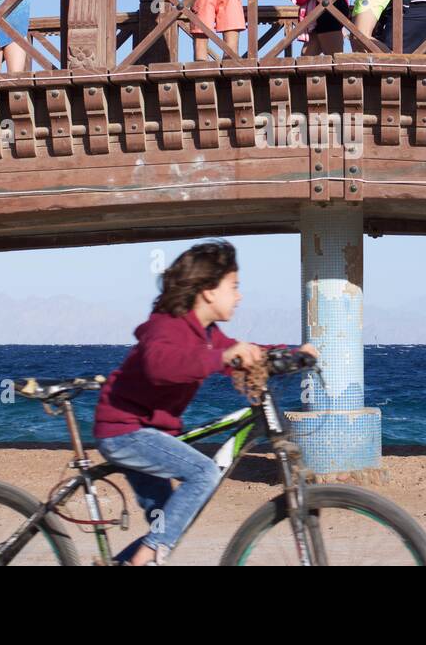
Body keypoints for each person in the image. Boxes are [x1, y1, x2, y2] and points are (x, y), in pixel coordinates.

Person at [92, 240, 318, 565]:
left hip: (151, 434)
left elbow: (241, 351)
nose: (240, 296)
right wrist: (222, 356)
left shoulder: (207, 333)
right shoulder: (165, 326)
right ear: (209, 290)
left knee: (169, 520)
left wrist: (292, 353)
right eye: (234, 287)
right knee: (203, 472)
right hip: (125, 431)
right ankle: (138, 562)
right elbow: (160, 365)